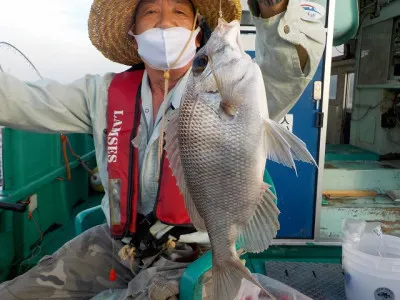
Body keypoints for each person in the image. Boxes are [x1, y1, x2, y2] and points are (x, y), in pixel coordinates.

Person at [0, 0, 326, 299]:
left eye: (180, 13)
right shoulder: (100, 93)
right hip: (118, 244)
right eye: (151, 13)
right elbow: (19, 100)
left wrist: (275, 10)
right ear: (133, 36)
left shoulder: (238, 87)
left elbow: (285, 72)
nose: (165, 24)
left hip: (197, 252)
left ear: (198, 34)